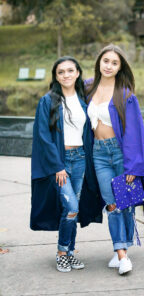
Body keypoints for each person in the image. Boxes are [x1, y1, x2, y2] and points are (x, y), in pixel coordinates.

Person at [86, 44, 144, 275]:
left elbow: (134, 131)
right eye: (106, 61)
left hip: (121, 155)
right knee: (111, 203)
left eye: (115, 62)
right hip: (99, 154)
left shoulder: (125, 95)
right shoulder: (88, 87)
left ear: (120, 67)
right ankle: (121, 253)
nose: (109, 66)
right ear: (99, 62)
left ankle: (121, 252)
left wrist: (133, 165)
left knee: (124, 204)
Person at [30, 56, 102, 273]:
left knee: (74, 209)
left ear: (78, 73)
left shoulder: (83, 100)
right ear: (56, 76)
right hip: (60, 163)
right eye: (61, 72)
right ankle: (62, 253)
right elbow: (43, 136)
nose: (66, 75)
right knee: (70, 208)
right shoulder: (48, 101)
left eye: (70, 70)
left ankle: (70, 253)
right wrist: (57, 166)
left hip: (79, 160)